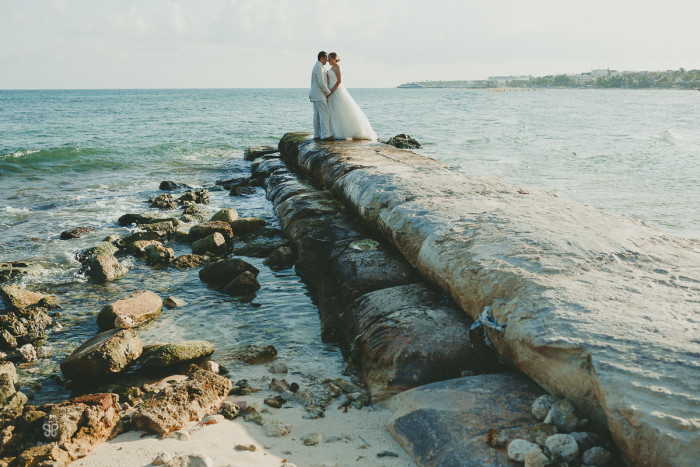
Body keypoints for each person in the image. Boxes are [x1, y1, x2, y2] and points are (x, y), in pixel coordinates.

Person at [326, 52, 377, 140]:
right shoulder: (331, 67)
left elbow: (339, 81)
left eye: (329, 59)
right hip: (330, 91)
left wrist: (332, 91)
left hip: (336, 91)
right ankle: (334, 131)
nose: (328, 60)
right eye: (327, 59)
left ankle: (344, 132)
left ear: (334, 59)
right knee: (332, 112)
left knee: (340, 111)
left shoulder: (337, 67)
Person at [309, 51, 333, 140]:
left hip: (314, 94)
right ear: (321, 58)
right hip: (319, 95)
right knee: (324, 114)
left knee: (317, 115)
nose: (327, 60)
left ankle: (317, 135)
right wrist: (328, 92)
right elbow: (321, 82)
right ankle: (325, 135)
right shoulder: (319, 67)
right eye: (326, 58)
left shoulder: (317, 66)